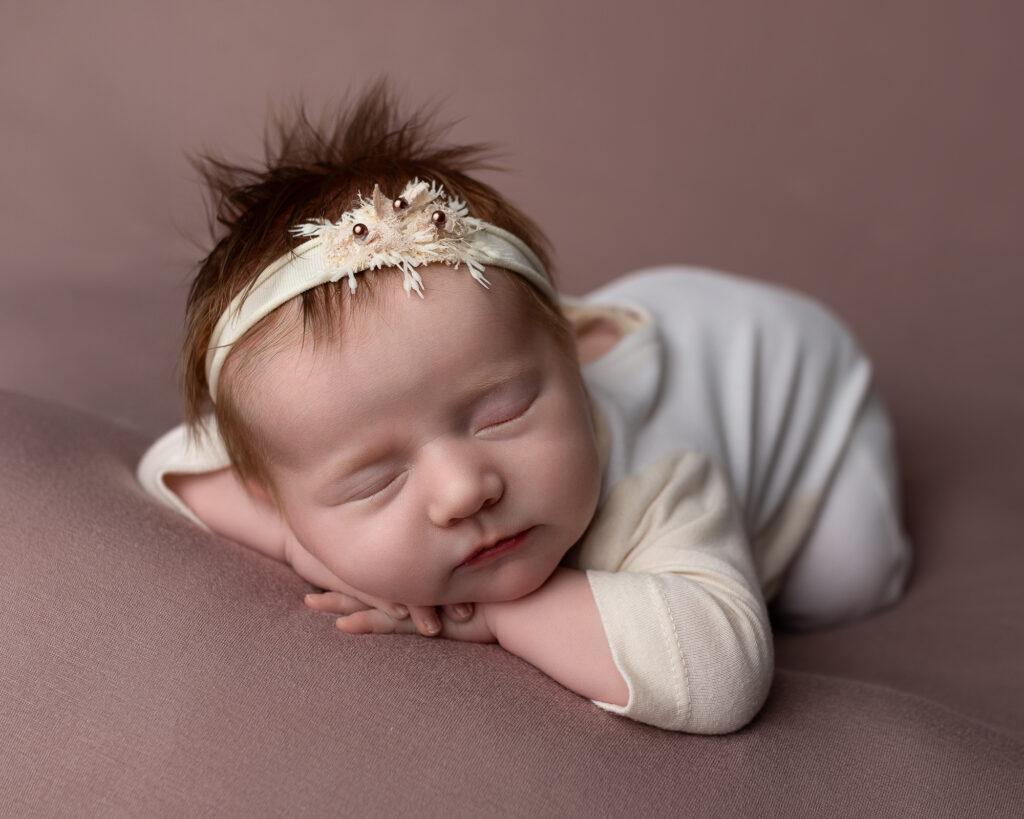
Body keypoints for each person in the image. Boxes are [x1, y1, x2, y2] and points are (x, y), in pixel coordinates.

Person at [137, 85, 911, 734]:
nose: (462, 489)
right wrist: (308, 541)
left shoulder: (661, 477)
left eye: (501, 413)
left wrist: (497, 615)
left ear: (576, 354)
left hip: (805, 388)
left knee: (844, 581)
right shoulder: (311, 439)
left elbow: (720, 676)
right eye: (375, 479)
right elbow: (169, 465)